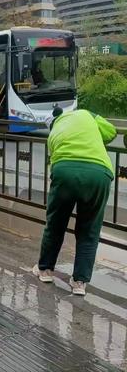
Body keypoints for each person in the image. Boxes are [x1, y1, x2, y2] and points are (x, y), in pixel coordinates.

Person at [33, 107, 117, 296]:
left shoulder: (54, 132)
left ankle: (45, 270)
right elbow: (111, 131)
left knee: (55, 224)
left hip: (65, 172)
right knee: (89, 230)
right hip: (99, 173)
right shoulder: (87, 114)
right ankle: (80, 282)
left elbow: (54, 161)